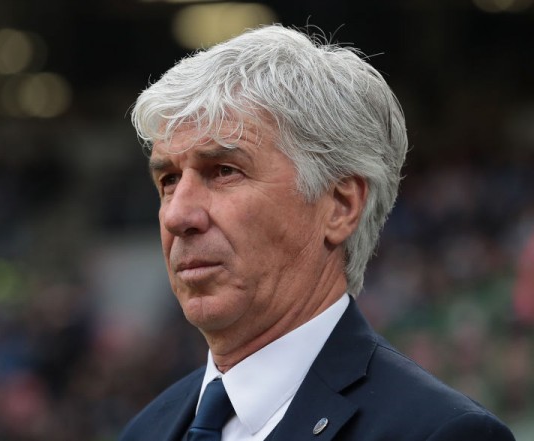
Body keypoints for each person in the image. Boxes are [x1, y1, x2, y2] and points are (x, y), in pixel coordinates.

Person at [118, 25, 515, 441]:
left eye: (224, 171)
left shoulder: (442, 432)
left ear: (340, 206)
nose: (177, 215)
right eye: (168, 180)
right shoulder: (144, 431)